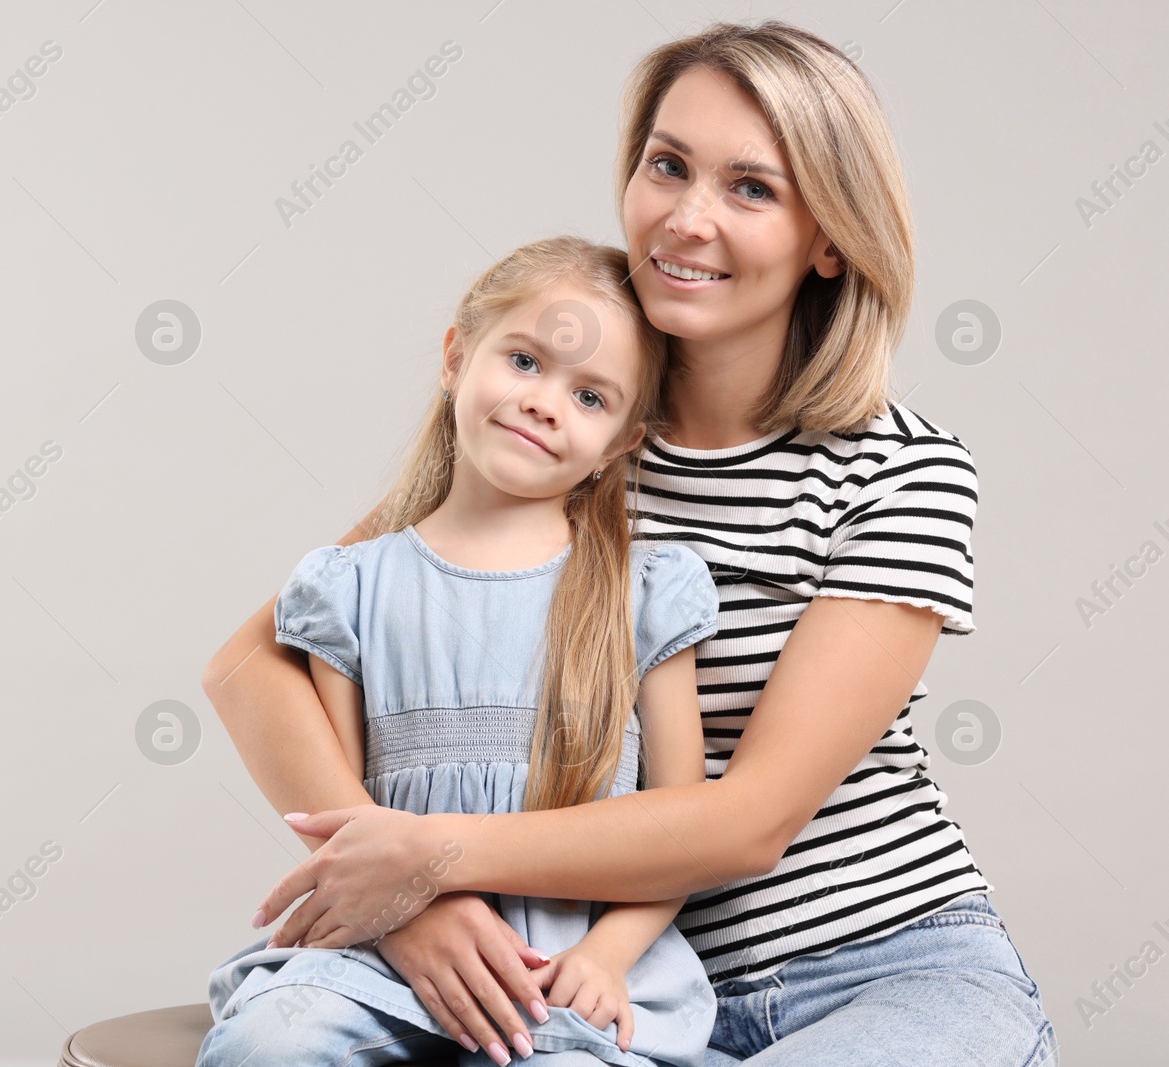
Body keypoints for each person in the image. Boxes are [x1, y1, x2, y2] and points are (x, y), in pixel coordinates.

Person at [213, 20, 1058, 1067]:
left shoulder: (900, 473)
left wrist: (428, 857)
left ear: (830, 236)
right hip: (601, 990)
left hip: (884, 974)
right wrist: (400, 902)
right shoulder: (563, 429)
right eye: (667, 165)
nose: (685, 218)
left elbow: (746, 820)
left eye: (751, 188)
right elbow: (250, 665)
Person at [197, 236, 721, 1067]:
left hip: (562, 974)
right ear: (455, 356)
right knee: (272, 1040)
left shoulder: (644, 596)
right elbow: (349, 815)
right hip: (380, 954)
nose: (547, 402)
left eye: (590, 396)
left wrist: (607, 956)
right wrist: (392, 913)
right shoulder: (346, 588)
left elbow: (686, 829)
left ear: (624, 441)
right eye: (525, 360)